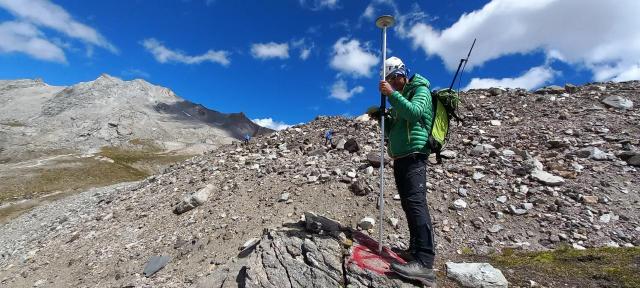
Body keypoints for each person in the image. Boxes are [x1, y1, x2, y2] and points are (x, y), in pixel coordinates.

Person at [369, 56, 436, 286]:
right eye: (388, 80)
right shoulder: (400, 97)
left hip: (415, 154)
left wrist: (391, 95)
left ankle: (425, 263)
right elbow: (392, 132)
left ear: (400, 75)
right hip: (400, 156)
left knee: (416, 204)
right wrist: (382, 119)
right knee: (409, 204)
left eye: (392, 78)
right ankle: (415, 250)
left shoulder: (421, 90)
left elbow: (415, 113)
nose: (391, 82)